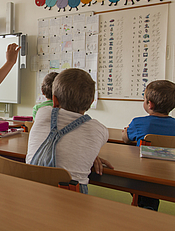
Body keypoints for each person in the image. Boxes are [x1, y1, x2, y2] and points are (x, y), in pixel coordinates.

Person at [26, 68, 113, 194]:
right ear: (91, 102)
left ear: (54, 100)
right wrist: (90, 154)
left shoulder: (42, 113)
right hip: (70, 202)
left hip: (32, 194)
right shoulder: (100, 130)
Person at [122, 79, 175, 211]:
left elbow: (125, 139)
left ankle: (146, 208)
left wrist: (125, 131)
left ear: (149, 104)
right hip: (168, 175)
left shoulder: (139, 123)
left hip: (143, 177)